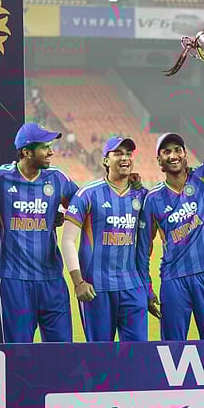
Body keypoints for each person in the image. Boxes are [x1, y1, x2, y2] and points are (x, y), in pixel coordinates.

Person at [0, 123, 80, 343]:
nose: (51, 152)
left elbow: (83, 202)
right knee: (19, 351)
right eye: (45, 147)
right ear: (26, 153)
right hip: (14, 279)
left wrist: (63, 214)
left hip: (52, 277)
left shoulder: (58, 178)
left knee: (63, 349)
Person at [137, 70, 204, 341]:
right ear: (159, 160)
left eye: (177, 150)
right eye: (166, 152)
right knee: (172, 350)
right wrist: (148, 290)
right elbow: (143, 250)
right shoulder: (153, 200)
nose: (173, 155)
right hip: (174, 280)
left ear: (185, 154)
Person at [62, 137, 158, 342]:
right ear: (105, 160)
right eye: (118, 154)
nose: (125, 158)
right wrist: (78, 282)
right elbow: (68, 239)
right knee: (100, 358)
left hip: (133, 287)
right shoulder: (87, 194)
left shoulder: (142, 195)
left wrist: (146, 290)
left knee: (137, 355)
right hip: (96, 289)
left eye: (128, 154)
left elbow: (145, 247)